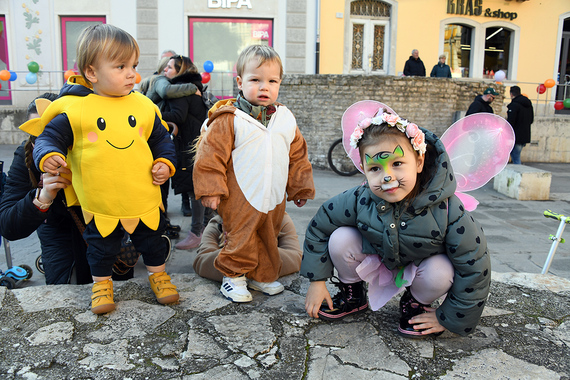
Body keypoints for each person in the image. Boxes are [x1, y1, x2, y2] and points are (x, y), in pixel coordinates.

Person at [23, 24, 179, 314]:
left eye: (133, 65)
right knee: (100, 248)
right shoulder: (77, 110)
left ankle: (159, 275)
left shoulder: (144, 106)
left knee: (153, 241)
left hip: (141, 196)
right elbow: (48, 138)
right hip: (100, 200)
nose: (131, 73)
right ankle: (101, 284)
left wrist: (165, 163)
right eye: (120, 66)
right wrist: (48, 155)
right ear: (92, 72)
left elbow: (161, 140)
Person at [301, 102, 490, 338]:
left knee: (441, 271)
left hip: (424, 266)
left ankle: (416, 303)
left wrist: (449, 317)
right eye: (375, 169)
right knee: (340, 238)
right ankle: (353, 294)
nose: (387, 176)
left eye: (397, 164)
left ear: (419, 162)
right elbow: (320, 226)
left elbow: (475, 264)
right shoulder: (360, 198)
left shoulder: (448, 209)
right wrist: (316, 281)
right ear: (363, 169)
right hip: (380, 255)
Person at [193, 45, 315, 303]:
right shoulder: (229, 118)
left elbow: (297, 155)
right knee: (240, 235)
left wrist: (300, 187)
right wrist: (211, 189)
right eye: (255, 80)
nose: (264, 87)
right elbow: (210, 155)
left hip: (274, 194)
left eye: (272, 81)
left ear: (280, 83)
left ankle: (260, 275)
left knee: (268, 235)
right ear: (240, 81)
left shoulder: (285, 118)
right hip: (240, 195)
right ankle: (233, 278)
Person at [0, 93, 94, 285]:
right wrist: (42, 199)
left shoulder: (94, 149)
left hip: (100, 227)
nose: (44, 140)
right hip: (56, 229)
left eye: (53, 131)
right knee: (63, 288)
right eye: (35, 133)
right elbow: (8, 225)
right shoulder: (26, 156)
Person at [160, 55, 210, 250]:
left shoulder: (181, 92)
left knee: (194, 189)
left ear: (180, 71)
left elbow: (178, 116)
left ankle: (197, 232)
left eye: (170, 67)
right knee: (198, 187)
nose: (165, 70)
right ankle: (207, 229)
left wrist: (153, 114)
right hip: (196, 142)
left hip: (189, 145)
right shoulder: (193, 87)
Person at [193, 212, 301, 281]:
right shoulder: (217, 223)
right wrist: (237, 250)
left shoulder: (280, 218)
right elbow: (201, 261)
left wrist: (251, 250)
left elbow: (297, 258)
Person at [507, 86, 534, 164]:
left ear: (511, 94)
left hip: (515, 135)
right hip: (525, 134)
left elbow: (511, 121)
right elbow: (531, 119)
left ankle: (517, 174)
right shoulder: (528, 104)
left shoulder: (514, 105)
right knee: (516, 155)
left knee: (515, 157)